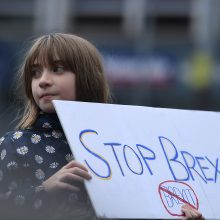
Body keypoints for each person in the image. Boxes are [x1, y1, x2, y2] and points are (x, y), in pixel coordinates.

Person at [0, 33, 204, 220]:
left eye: (57, 69)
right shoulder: (15, 145)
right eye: (35, 73)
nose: (43, 81)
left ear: (87, 78)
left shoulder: (125, 149)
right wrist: (44, 189)